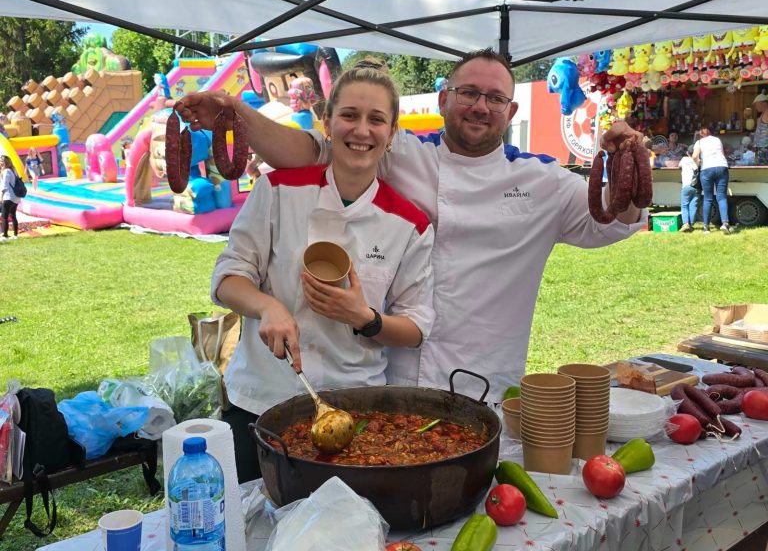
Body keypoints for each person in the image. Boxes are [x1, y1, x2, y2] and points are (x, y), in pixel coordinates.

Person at [176, 48, 647, 403]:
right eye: (468, 93)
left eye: (495, 97)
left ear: (512, 111)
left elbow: (613, 222)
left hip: (480, 377)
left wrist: (630, 160)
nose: (480, 106)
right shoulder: (403, 152)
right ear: (444, 98)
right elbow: (317, 151)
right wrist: (238, 117)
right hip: (384, 375)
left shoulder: (543, 181)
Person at [209, 64, 435, 482]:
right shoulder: (277, 189)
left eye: (376, 120)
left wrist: (363, 318)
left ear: (392, 132)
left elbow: (417, 326)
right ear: (327, 122)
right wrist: (268, 306)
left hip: (353, 406)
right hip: (261, 400)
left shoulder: (409, 224)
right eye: (349, 115)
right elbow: (228, 278)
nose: (361, 130)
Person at [692, 126, 731, 234]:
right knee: (721, 197)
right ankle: (725, 224)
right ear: (709, 133)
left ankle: (706, 227)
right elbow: (722, 154)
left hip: (707, 169)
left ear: (700, 135)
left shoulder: (699, 143)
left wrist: (698, 163)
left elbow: (695, 156)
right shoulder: (717, 140)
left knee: (708, 198)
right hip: (721, 166)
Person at [678, 146, 699, 232]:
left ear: (687, 153)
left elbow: (679, 166)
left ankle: (686, 224)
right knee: (693, 206)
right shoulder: (698, 161)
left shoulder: (684, 159)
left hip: (686, 186)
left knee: (684, 205)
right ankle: (692, 224)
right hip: (696, 186)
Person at [1, 155, 21, 240]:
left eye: (1, 161)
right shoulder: (13, 170)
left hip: (8, 197)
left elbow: (5, 185)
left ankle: (5, 236)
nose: (0, 163)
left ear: (5, 162)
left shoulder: (6, 171)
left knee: (4, 216)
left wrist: (1, 196)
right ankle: (15, 235)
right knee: (13, 216)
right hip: (16, 197)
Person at [753, 93, 768, 166]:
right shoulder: (763, 113)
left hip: (764, 147)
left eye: (757, 104)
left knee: (762, 167)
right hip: (761, 147)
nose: (756, 107)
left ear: (763, 103)